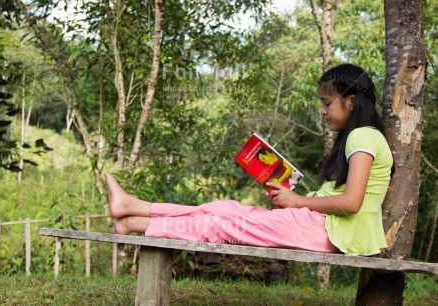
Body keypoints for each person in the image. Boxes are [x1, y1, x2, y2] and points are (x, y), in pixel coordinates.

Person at [105, 63, 393, 256]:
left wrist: (297, 201)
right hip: (322, 225)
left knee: (220, 225)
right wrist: (289, 197)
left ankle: (134, 223)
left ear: (352, 101)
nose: (322, 111)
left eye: (327, 103)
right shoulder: (359, 137)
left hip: (329, 230)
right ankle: (133, 207)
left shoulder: (362, 137)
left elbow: (351, 202)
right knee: (222, 208)